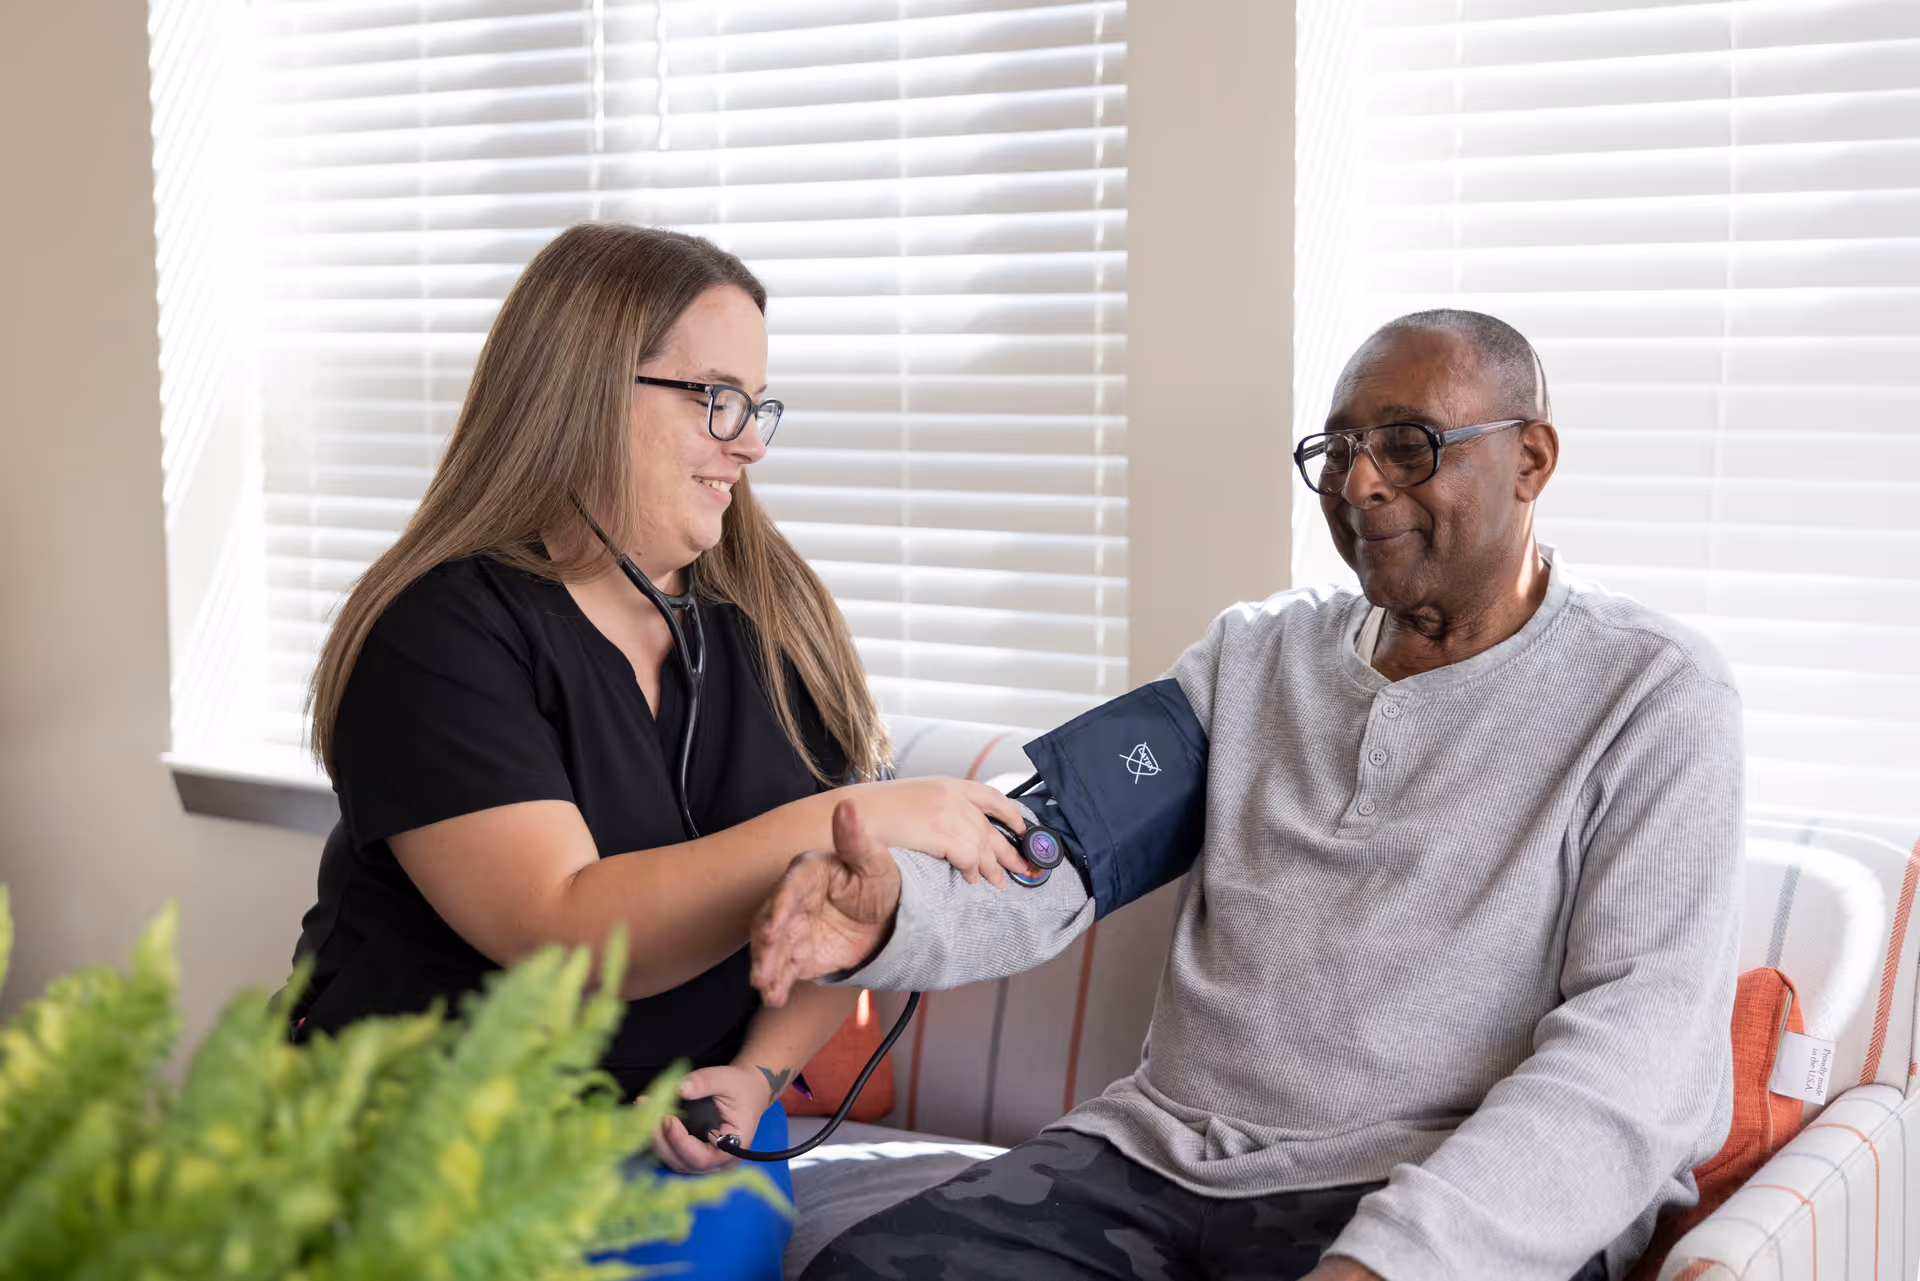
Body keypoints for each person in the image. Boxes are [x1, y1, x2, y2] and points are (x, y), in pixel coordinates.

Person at [751, 310, 1744, 1281]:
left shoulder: (1652, 697)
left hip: (1436, 1185)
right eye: (1338, 448)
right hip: (1158, 1158)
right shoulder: (1254, 658)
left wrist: (1390, 1263)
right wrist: (898, 912)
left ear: (1531, 459)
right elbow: (1061, 842)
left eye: (1406, 445)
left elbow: (1634, 1058)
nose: (1358, 483)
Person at [286, 223, 1033, 1279]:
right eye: (715, 398)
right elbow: (563, 937)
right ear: (588, 387)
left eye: (758, 406)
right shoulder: (441, 634)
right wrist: (824, 821)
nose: (751, 443)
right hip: (430, 1139)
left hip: (693, 1126)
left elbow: (840, 911)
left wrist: (760, 1077)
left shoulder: (773, 614)